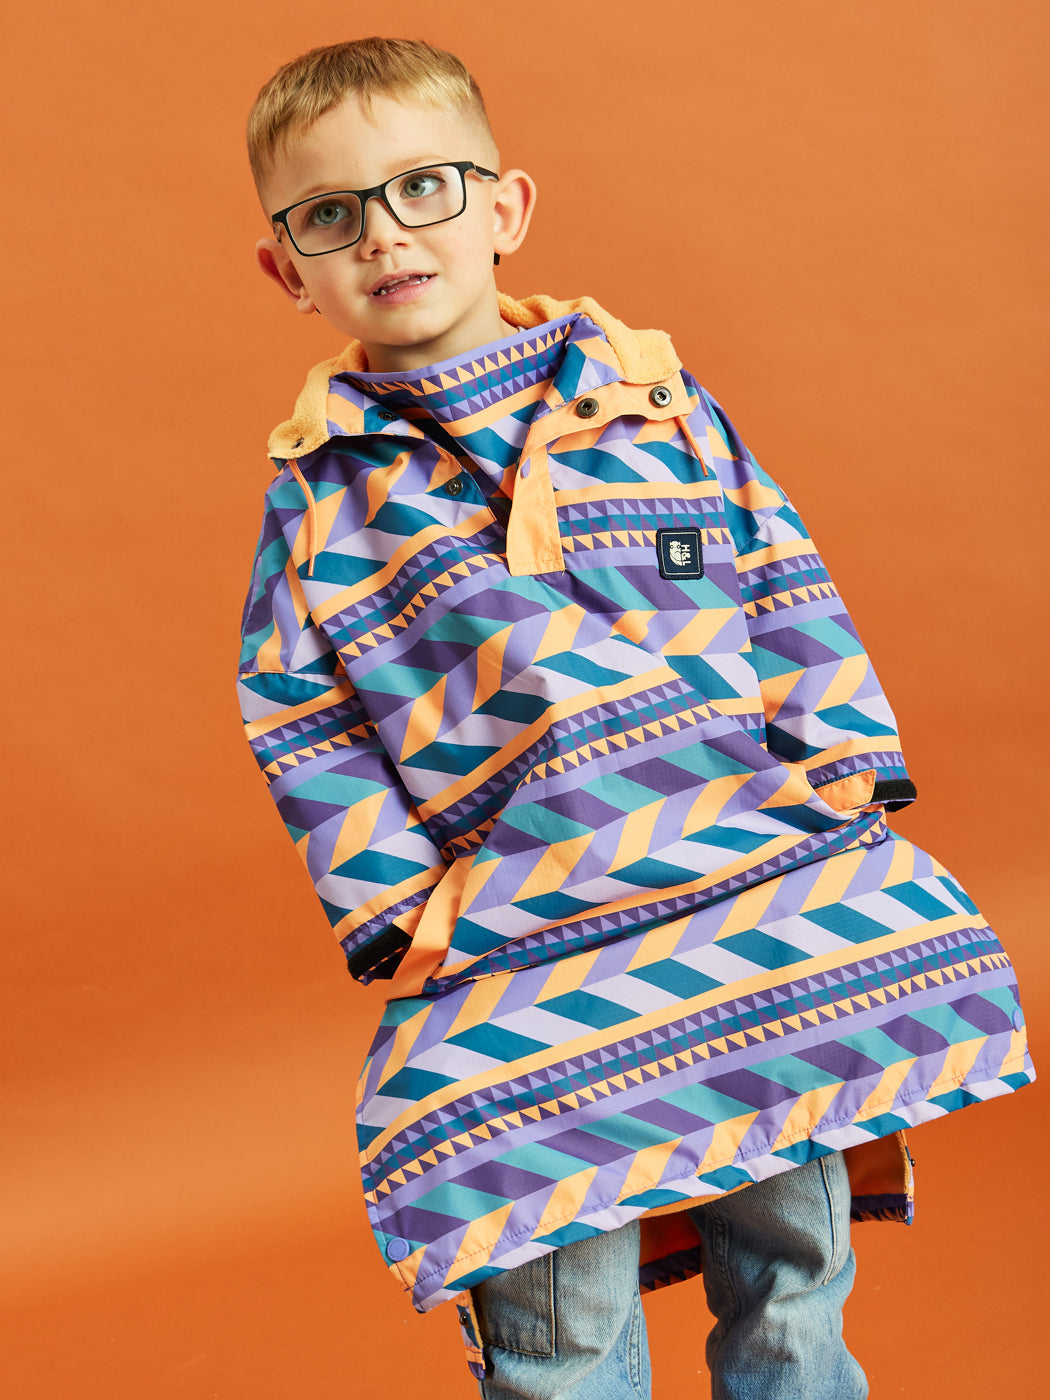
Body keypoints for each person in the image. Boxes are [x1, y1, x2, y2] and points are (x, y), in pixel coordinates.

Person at [236, 37, 1034, 1400]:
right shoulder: (323, 496)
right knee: (552, 1297)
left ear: (505, 208)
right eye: (330, 213)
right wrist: (399, 905)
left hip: (756, 891)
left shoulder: (654, 404)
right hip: (526, 930)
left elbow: (778, 565)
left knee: (792, 1262)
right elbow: (296, 708)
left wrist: (837, 754)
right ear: (286, 270)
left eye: (424, 186)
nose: (384, 234)